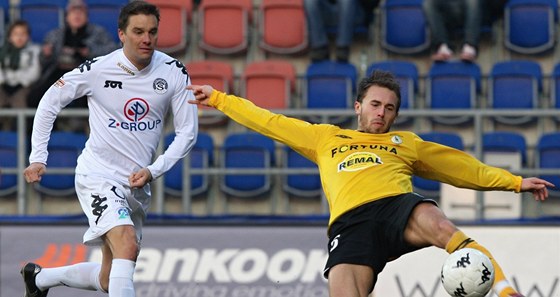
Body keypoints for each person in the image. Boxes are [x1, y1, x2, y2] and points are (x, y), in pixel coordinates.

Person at [186, 70, 553, 297]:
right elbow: (269, 121)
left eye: (390, 108)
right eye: (375, 104)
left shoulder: (405, 143)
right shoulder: (326, 138)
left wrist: (514, 182)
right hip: (351, 224)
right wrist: (219, 99)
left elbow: (459, 167)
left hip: (397, 207)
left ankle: (506, 292)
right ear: (358, 105)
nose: (382, 113)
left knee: (442, 226)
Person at [21, 1, 198, 297]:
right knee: (126, 241)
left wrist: (155, 170)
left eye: (152, 32)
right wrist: (38, 156)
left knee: (108, 278)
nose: (147, 39)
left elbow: (188, 132)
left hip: (138, 183)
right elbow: (50, 101)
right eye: (138, 31)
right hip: (98, 175)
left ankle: (38, 279)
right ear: (121, 34)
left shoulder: (173, 72)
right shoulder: (98, 68)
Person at [27, 0, 117, 112]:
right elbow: (43, 61)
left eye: (81, 13)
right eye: (73, 13)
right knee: (36, 95)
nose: (77, 16)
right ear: (66, 17)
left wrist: (90, 52)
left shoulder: (98, 33)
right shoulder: (56, 34)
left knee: (90, 96)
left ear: (87, 17)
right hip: (58, 73)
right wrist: (46, 54)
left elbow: (113, 50)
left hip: (86, 73)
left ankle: (83, 127)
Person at [304, 0, 379, 62]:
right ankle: (319, 47)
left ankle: (343, 47)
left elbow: (372, 3)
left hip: (354, 13)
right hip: (328, 12)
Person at [0, 20, 40, 130]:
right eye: (16, 34)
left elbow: (34, 72)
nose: (19, 37)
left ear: (28, 36)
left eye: (23, 34)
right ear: (9, 37)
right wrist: (4, 81)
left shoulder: (34, 50)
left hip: (24, 86)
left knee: (21, 104)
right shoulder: (3, 51)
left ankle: (20, 136)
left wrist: (19, 81)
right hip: (3, 85)